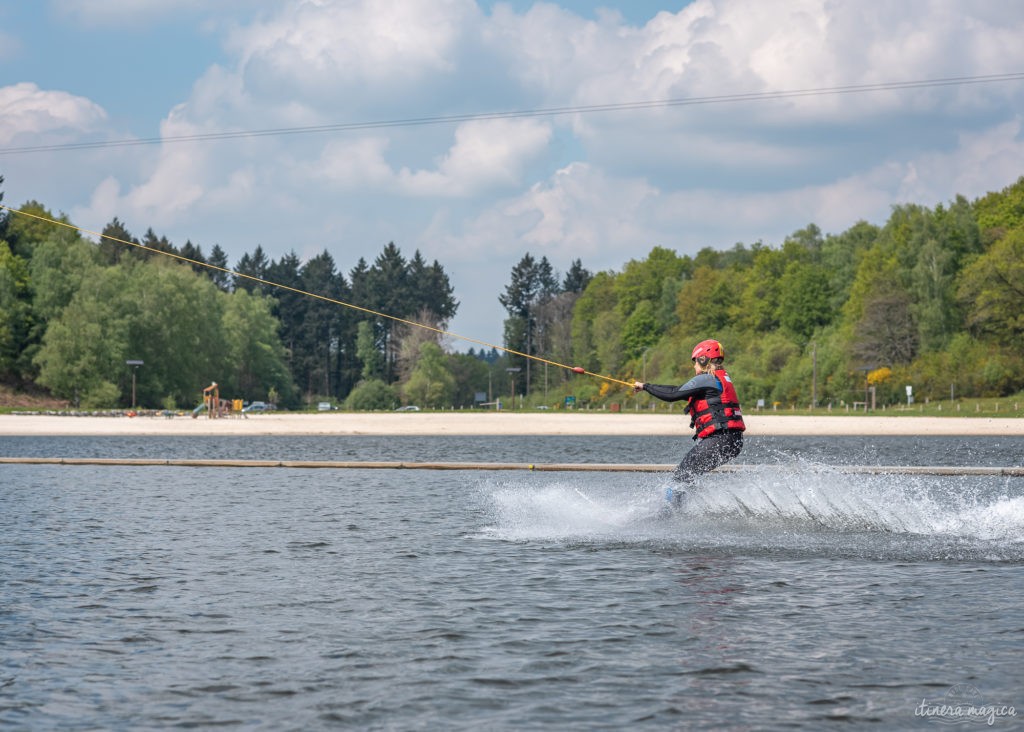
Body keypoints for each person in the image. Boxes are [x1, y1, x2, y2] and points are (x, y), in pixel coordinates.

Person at [633, 339, 745, 506]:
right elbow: (677, 389)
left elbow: (672, 394)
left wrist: (645, 386)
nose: (694, 366)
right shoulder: (720, 378)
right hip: (733, 442)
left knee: (680, 477)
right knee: (688, 477)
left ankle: (669, 515)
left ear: (703, 359)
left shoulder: (707, 379)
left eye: (695, 362)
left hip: (719, 440)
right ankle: (683, 510)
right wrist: (646, 387)